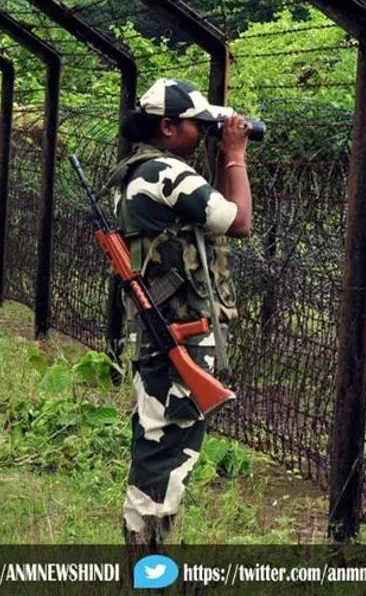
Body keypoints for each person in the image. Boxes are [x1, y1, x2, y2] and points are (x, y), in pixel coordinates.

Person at [113, 78, 253, 548]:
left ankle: (147, 557)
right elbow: (239, 221)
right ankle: (147, 562)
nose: (204, 131)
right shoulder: (166, 173)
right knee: (165, 451)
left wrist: (222, 151)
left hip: (166, 331)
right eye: (198, 124)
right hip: (178, 334)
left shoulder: (140, 170)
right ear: (168, 127)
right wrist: (234, 154)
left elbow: (213, 217)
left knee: (161, 444)